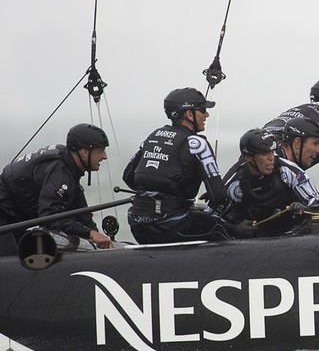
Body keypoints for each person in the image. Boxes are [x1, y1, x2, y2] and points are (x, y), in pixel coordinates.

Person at [216, 123, 319, 237]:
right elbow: (212, 218)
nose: (271, 159)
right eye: (264, 154)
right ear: (248, 157)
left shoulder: (288, 171)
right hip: (250, 239)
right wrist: (232, 228)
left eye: (272, 152)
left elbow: (315, 201)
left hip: (285, 232)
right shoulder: (234, 184)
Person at [122, 87, 234, 244]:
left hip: (137, 227)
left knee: (196, 213)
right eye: (203, 110)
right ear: (189, 114)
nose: (207, 114)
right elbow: (219, 196)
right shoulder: (197, 143)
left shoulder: (153, 136)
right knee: (217, 226)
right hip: (170, 227)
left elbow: (127, 177)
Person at [0, 123, 116, 255]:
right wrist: (90, 233)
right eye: (101, 151)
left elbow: (80, 210)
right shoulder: (59, 171)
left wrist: (97, 235)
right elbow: (50, 219)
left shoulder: (68, 163)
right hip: (4, 216)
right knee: (11, 263)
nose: (105, 156)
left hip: (13, 219)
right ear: (84, 152)